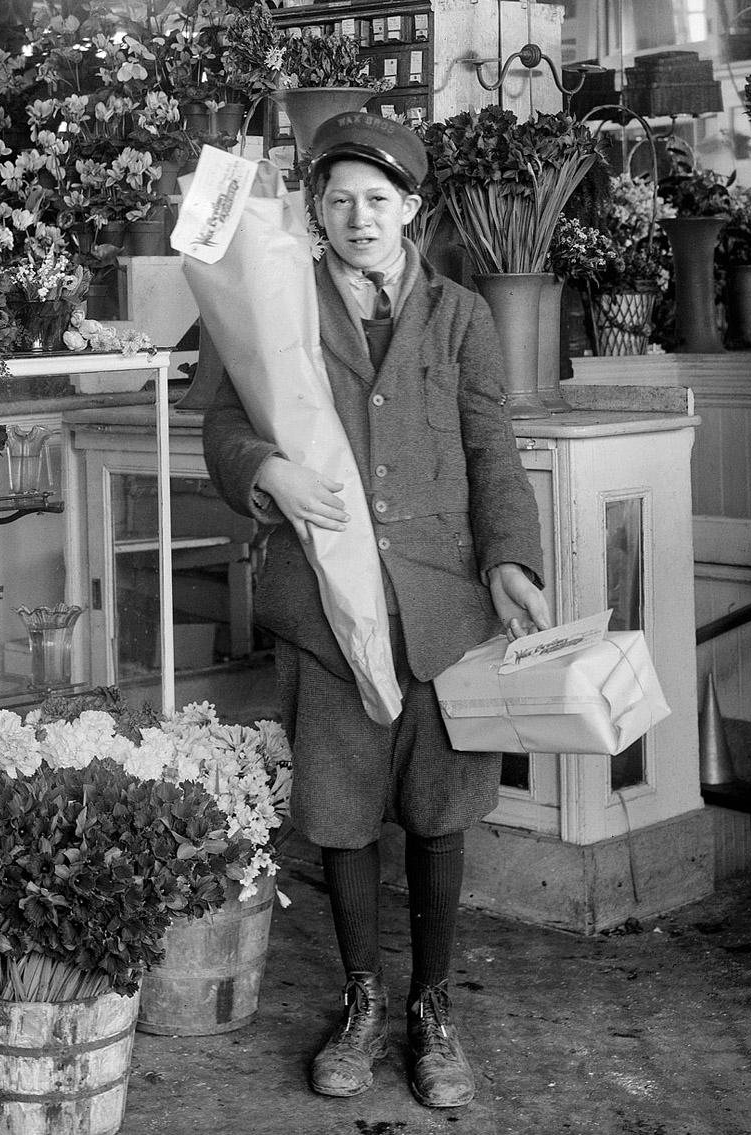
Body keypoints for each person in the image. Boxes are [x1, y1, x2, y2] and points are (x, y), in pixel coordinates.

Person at [202, 111, 552, 1109]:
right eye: (340, 200)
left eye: (377, 200)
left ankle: (430, 1008)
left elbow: (492, 450)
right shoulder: (269, 303)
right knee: (342, 813)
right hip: (323, 606)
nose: (359, 217)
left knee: (439, 812)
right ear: (313, 210)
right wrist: (263, 468)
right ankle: (360, 1001)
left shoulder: (460, 315)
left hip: (441, 608)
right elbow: (220, 423)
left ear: (411, 209)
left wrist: (510, 561)